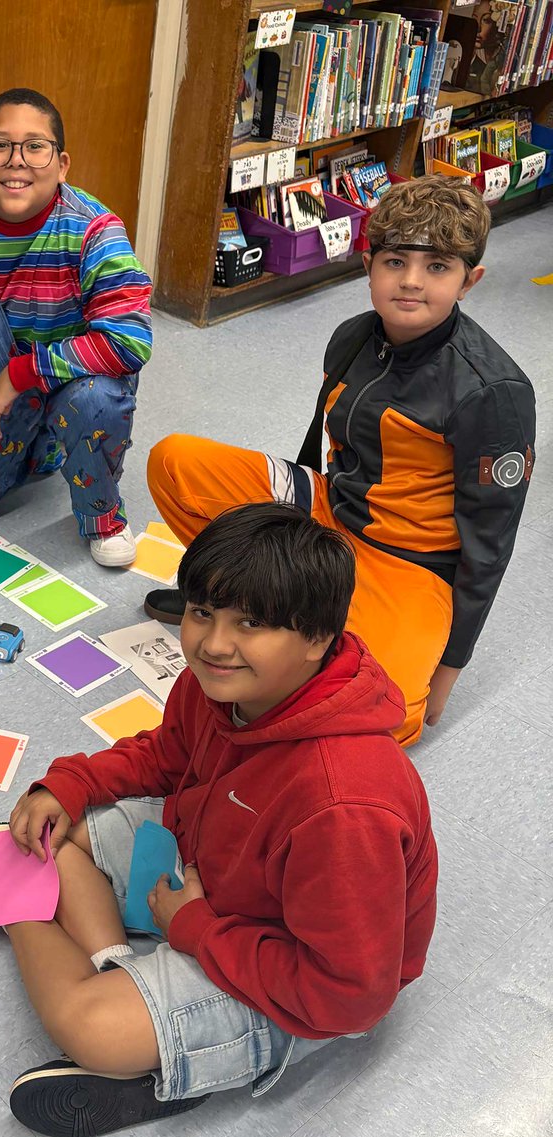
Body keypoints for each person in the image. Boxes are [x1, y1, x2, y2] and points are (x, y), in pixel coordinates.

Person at [0, 503, 437, 1137]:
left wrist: (194, 930)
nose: (214, 643)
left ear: (316, 638)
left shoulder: (344, 804)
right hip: (215, 865)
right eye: (202, 613)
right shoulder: (223, 682)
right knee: (53, 833)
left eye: (250, 623)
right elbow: (169, 754)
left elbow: (352, 994)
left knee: (89, 1027)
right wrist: (73, 782)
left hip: (294, 975)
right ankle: (110, 958)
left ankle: (10, 899)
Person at [144, 175, 535, 745]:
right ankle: (235, 596)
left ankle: (297, 621)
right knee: (175, 461)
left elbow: (491, 541)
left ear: (469, 281)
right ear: (366, 266)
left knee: (388, 715)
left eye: (437, 267)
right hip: (328, 509)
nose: (411, 281)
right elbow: (327, 452)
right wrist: (281, 532)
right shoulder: (351, 335)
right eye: (395, 261)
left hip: (410, 561)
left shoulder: (492, 391)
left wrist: (451, 665)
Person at [0, 87, 153, 567]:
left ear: (62, 165)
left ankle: (103, 515)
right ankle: (40, 446)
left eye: (35, 147)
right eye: (0, 146)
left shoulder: (94, 230)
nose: (17, 162)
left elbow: (130, 340)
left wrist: (23, 373)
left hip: (72, 384)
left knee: (95, 401)